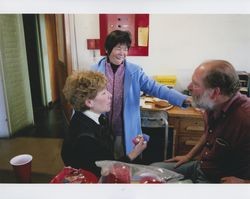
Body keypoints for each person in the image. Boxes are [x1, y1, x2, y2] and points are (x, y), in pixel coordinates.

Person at [92, 30, 191, 159]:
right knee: (101, 164)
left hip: (124, 131)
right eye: (118, 48)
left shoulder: (135, 71)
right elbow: (83, 98)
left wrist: (184, 99)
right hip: (100, 129)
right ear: (107, 49)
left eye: (125, 49)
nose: (122, 53)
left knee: (123, 165)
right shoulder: (94, 71)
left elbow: (157, 88)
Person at [151, 60, 250, 183]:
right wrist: (189, 156)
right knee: (151, 171)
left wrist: (245, 183)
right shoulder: (212, 104)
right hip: (201, 168)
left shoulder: (245, 118)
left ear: (215, 92)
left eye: (195, 84)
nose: (188, 87)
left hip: (218, 182)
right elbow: (208, 134)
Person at [61, 71, 147, 177]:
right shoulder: (86, 138)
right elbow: (107, 172)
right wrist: (135, 153)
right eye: (104, 93)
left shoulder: (83, 116)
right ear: (89, 102)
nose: (110, 95)